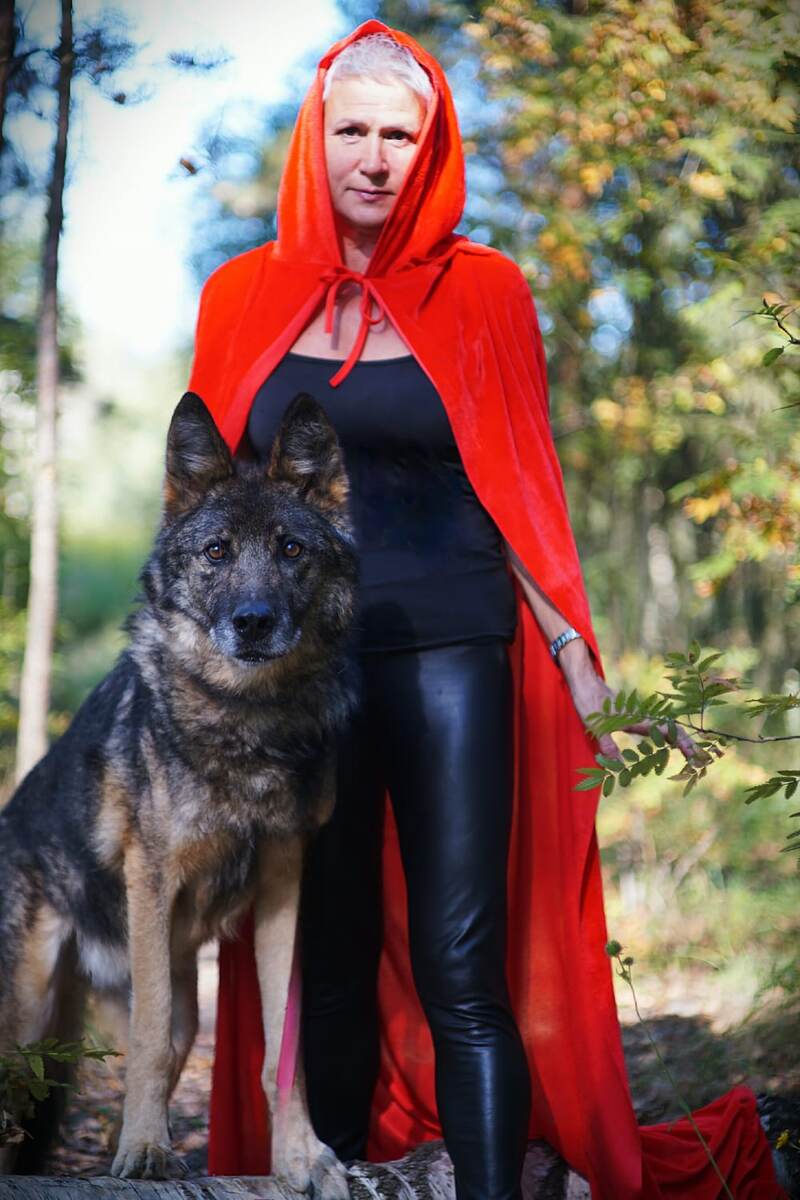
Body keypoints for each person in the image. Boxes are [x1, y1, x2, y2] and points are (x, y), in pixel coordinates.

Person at [188, 20, 787, 1200]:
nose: (373, 158)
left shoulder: (485, 291)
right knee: (327, 963)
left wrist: (570, 647)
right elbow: (210, 513)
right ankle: (342, 1185)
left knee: (462, 965)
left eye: (397, 136)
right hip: (301, 674)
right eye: (351, 131)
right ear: (315, 140)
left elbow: (518, 486)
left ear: (431, 149)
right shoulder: (239, 296)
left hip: (453, 645)